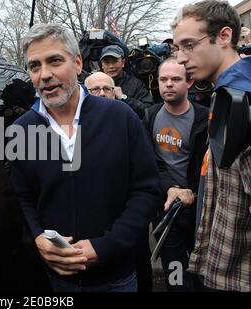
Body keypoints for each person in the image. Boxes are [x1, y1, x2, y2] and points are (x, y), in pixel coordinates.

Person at [9, 23, 161, 292]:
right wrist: (37, 237)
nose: (44, 75)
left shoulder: (119, 117)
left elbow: (147, 190)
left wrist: (106, 246)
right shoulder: (22, 130)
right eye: (34, 66)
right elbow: (24, 197)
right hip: (58, 282)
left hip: (117, 279)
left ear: (78, 63)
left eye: (54, 61)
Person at [172, 0, 251, 292]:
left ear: (224, 36)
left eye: (190, 45)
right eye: (177, 47)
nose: (180, 58)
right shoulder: (226, 94)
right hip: (221, 271)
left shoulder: (244, 99)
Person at [143, 57, 209, 291]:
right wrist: (169, 188)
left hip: (199, 210)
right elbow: (148, 163)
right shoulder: (150, 116)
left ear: (189, 82)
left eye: (175, 79)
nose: (168, 84)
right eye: (163, 79)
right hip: (166, 211)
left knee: (202, 273)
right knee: (175, 276)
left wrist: (192, 192)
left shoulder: (205, 118)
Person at [99, 45, 154, 118]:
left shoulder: (136, 84)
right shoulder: (93, 84)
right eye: (107, 62)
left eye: (115, 61)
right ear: (102, 65)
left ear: (123, 63)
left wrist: (124, 98)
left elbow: (148, 111)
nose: (111, 66)